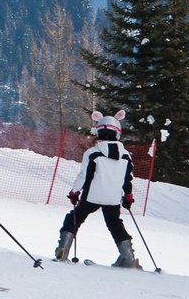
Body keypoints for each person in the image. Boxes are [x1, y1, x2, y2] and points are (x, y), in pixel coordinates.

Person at [54, 110, 140, 268]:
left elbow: (84, 175)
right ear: (118, 133)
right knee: (115, 224)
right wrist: (128, 196)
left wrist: (75, 192)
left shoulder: (93, 152)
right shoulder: (126, 155)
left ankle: (63, 251)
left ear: (99, 131)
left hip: (92, 196)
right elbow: (128, 179)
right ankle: (128, 258)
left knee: (74, 218)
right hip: (113, 198)